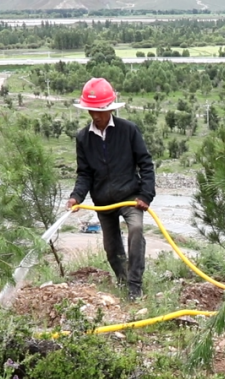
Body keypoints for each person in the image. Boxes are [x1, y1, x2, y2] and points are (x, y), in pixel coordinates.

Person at [66, 77, 155, 301]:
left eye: (100, 111)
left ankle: (135, 286)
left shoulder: (128, 130)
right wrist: (76, 196)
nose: (96, 116)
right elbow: (84, 173)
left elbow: (145, 163)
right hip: (103, 200)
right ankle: (123, 281)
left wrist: (145, 195)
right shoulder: (83, 137)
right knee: (111, 246)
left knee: (135, 230)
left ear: (110, 109)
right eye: (91, 111)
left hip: (130, 197)